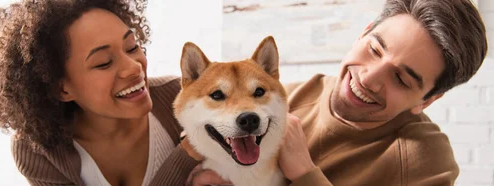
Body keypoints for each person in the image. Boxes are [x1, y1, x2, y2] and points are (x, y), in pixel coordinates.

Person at [185, 0, 488, 185]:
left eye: (401, 79)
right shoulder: (284, 97)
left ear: (428, 100)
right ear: (364, 32)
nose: (369, 77)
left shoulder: (426, 161)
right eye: (374, 49)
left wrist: (304, 172)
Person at [0, 0, 198, 185]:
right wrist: (189, 153)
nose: (134, 67)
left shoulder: (184, 99)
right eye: (103, 63)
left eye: (132, 47)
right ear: (62, 88)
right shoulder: (40, 152)